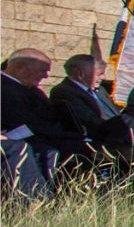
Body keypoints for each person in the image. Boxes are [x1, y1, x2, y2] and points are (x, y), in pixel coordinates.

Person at [2, 48, 94, 195]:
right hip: (21, 137)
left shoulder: (31, 90)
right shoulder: (5, 88)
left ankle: (73, 196)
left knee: (82, 146)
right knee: (55, 148)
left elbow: (50, 115)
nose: (46, 76)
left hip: (40, 135)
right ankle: (36, 199)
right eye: (43, 71)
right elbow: (24, 122)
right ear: (20, 68)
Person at [49, 54, 134, 158]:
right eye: (99, 74)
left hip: (121, 135)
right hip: (98, 140)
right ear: (79, 73)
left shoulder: (99, 90)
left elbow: (114, 113)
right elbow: (90, 122)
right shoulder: (64, 91)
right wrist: (125, 126)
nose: (102, 78)